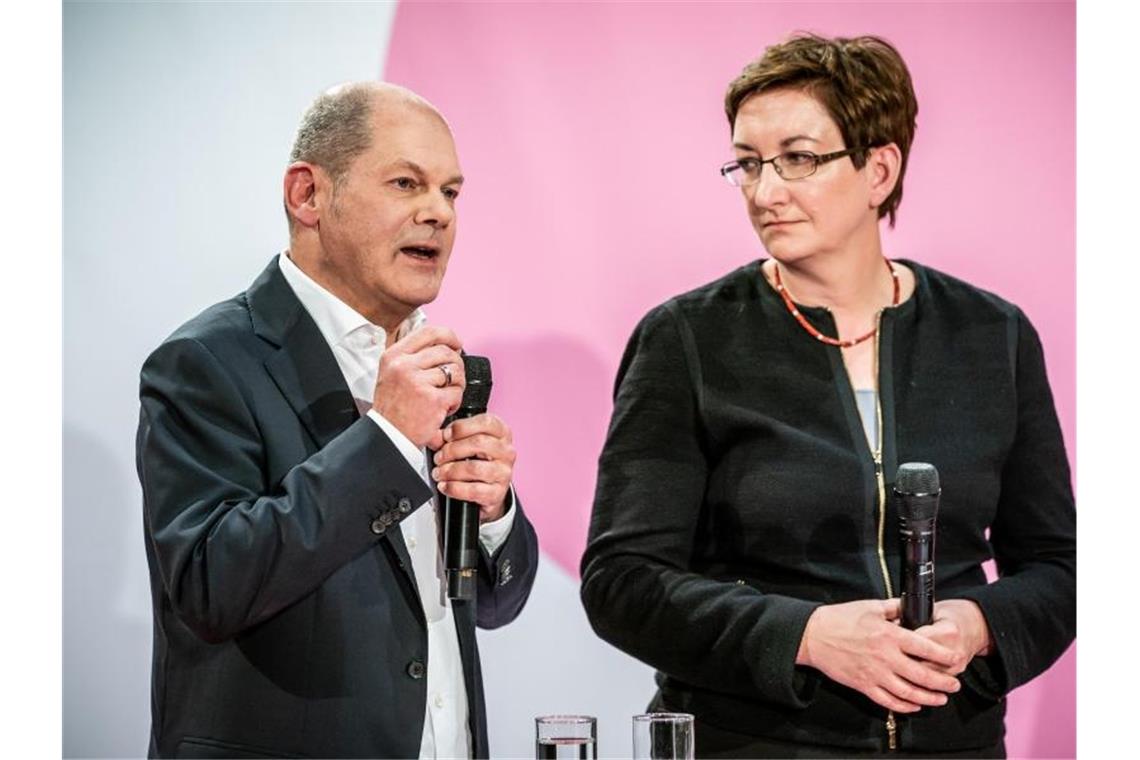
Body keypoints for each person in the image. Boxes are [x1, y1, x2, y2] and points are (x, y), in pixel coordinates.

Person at [580, 34, 1074, 758]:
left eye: (798, 159)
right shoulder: (686, 338)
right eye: (748, 163)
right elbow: (623, 582)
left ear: (879, 168)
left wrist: (979, 626)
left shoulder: (991, 334)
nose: (765, 190)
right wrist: (806, 637)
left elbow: (1060, 568)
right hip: (752, 741)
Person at [136, 82, 538, 759]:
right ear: (308, 195)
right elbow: (209, 584)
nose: (438, 213)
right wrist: (384, 440)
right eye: (407, 182)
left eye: (451, 192)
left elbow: (493, 607)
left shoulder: (434, 364)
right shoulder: (204, 362)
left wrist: (493, 512)